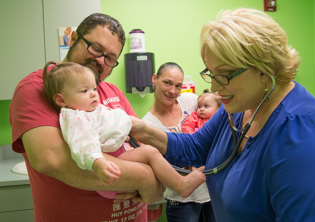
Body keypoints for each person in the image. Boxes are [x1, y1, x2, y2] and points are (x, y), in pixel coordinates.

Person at [129, 8, 315, 222]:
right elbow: (196, 146)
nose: (215, 87)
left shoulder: (301, 133)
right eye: (211, 73)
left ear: (265, 69)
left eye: (225, 75)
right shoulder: (240, 108)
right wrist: (142, 130)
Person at [9, 13, 165, 222]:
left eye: (110, 58)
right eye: (96, 48)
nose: (100, 60)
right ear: (73, 39)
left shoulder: (113, 92)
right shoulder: (37, 88)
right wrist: (147, 179)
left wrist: (158, 180)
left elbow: (139, 145)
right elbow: (52, 159)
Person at [43, 61, 206, 199]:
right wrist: (99, 164)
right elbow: (83, 146)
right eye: (84, 91)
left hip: (117, 158)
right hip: (106, 169)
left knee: (150, 154)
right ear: (61, 99)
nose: (93, 94)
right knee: (150, 153)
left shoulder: (89, 109)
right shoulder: (76, 118)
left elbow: (113, 120)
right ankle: (181, 185)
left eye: (94, 88)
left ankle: (178, 182)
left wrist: (122, 131)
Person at [142, 62, 216, 222]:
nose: (172, 91)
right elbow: (160, 168)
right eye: (167, 83)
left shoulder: (191, 101)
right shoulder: (147, 126)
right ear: (154, 79)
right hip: (182, 202)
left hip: (211, 191)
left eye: (178, 86)